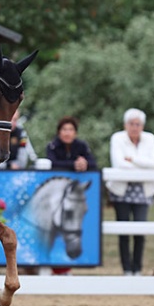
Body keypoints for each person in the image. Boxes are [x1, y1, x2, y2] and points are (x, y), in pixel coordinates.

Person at [107, 108, 154, 276]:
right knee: (123, 231)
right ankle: (126, 269)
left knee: (140, 230)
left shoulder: (150, 139)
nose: (134, 127)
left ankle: (137, 268)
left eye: (137, 124)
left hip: (143, 190)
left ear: (142, 126)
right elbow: (119, 163)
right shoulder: (117, 138)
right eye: (131, 124)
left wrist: (133, 159)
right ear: (125, 125)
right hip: (121, 189)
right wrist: (142, 165)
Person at [45, 116, 97, 276]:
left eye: (71, 130)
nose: (67, 133)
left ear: (75, 132)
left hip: (74, 196)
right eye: (64, 129)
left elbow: (93, 162)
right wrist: (74, 165)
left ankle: (65, 267)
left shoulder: (81, 145)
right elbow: (52, 163)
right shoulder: (52, 146)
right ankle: (50, 265)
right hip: (56, 193)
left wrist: (85, 164)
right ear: (59, 132)